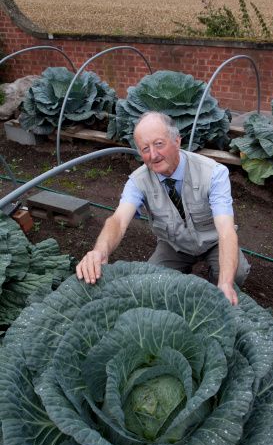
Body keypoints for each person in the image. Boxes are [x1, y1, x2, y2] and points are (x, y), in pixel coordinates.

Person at [76, 111, 250, 305]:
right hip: (174, 246)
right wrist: (100, 251)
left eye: (159, 144)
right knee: (151, 285)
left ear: (177, 141)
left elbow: (226, 231)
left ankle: (213, 288)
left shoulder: (213, 173)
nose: (153, 155)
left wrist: (224, 283)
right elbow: (118, 221)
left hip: (213, 242)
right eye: (145, 148)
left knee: (236, 275)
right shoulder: (138, 181)